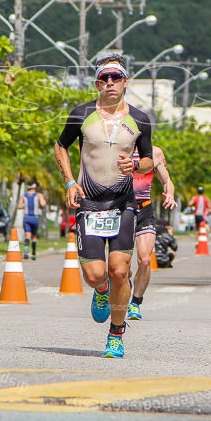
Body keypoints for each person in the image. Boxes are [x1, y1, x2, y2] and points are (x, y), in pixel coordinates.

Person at [54, 54, 154, 359]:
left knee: (120, 272)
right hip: (89, 204)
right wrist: (70, 181)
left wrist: (135, 163)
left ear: (125, 82)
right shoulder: (81, 113)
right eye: (104, 78)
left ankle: (116, 334)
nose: (109, 82)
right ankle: (100, 291)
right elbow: (61, 146)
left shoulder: (140, 118)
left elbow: (150, 159)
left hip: (123, 204)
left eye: (116, 77)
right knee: (96, 275)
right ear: (97, 82)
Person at [127, 145, 178, 321]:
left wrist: (169, 194)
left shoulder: (154, 152)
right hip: (121, 210)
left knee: (145, 260)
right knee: (123, 269)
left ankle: (135, 303)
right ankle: (124, 285)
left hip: (144, 210)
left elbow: (166, 181)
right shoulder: (118, 146)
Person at [19, 183, 47, 261]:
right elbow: (43, 203)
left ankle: (26, 251)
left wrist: (25, 206)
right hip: (35, 217)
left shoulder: (23, 196)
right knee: (34, 236)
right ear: (35, 187)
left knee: (27, 235)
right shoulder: (39, 195)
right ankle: (34, 253)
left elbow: (19, 206)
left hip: (26, 217)